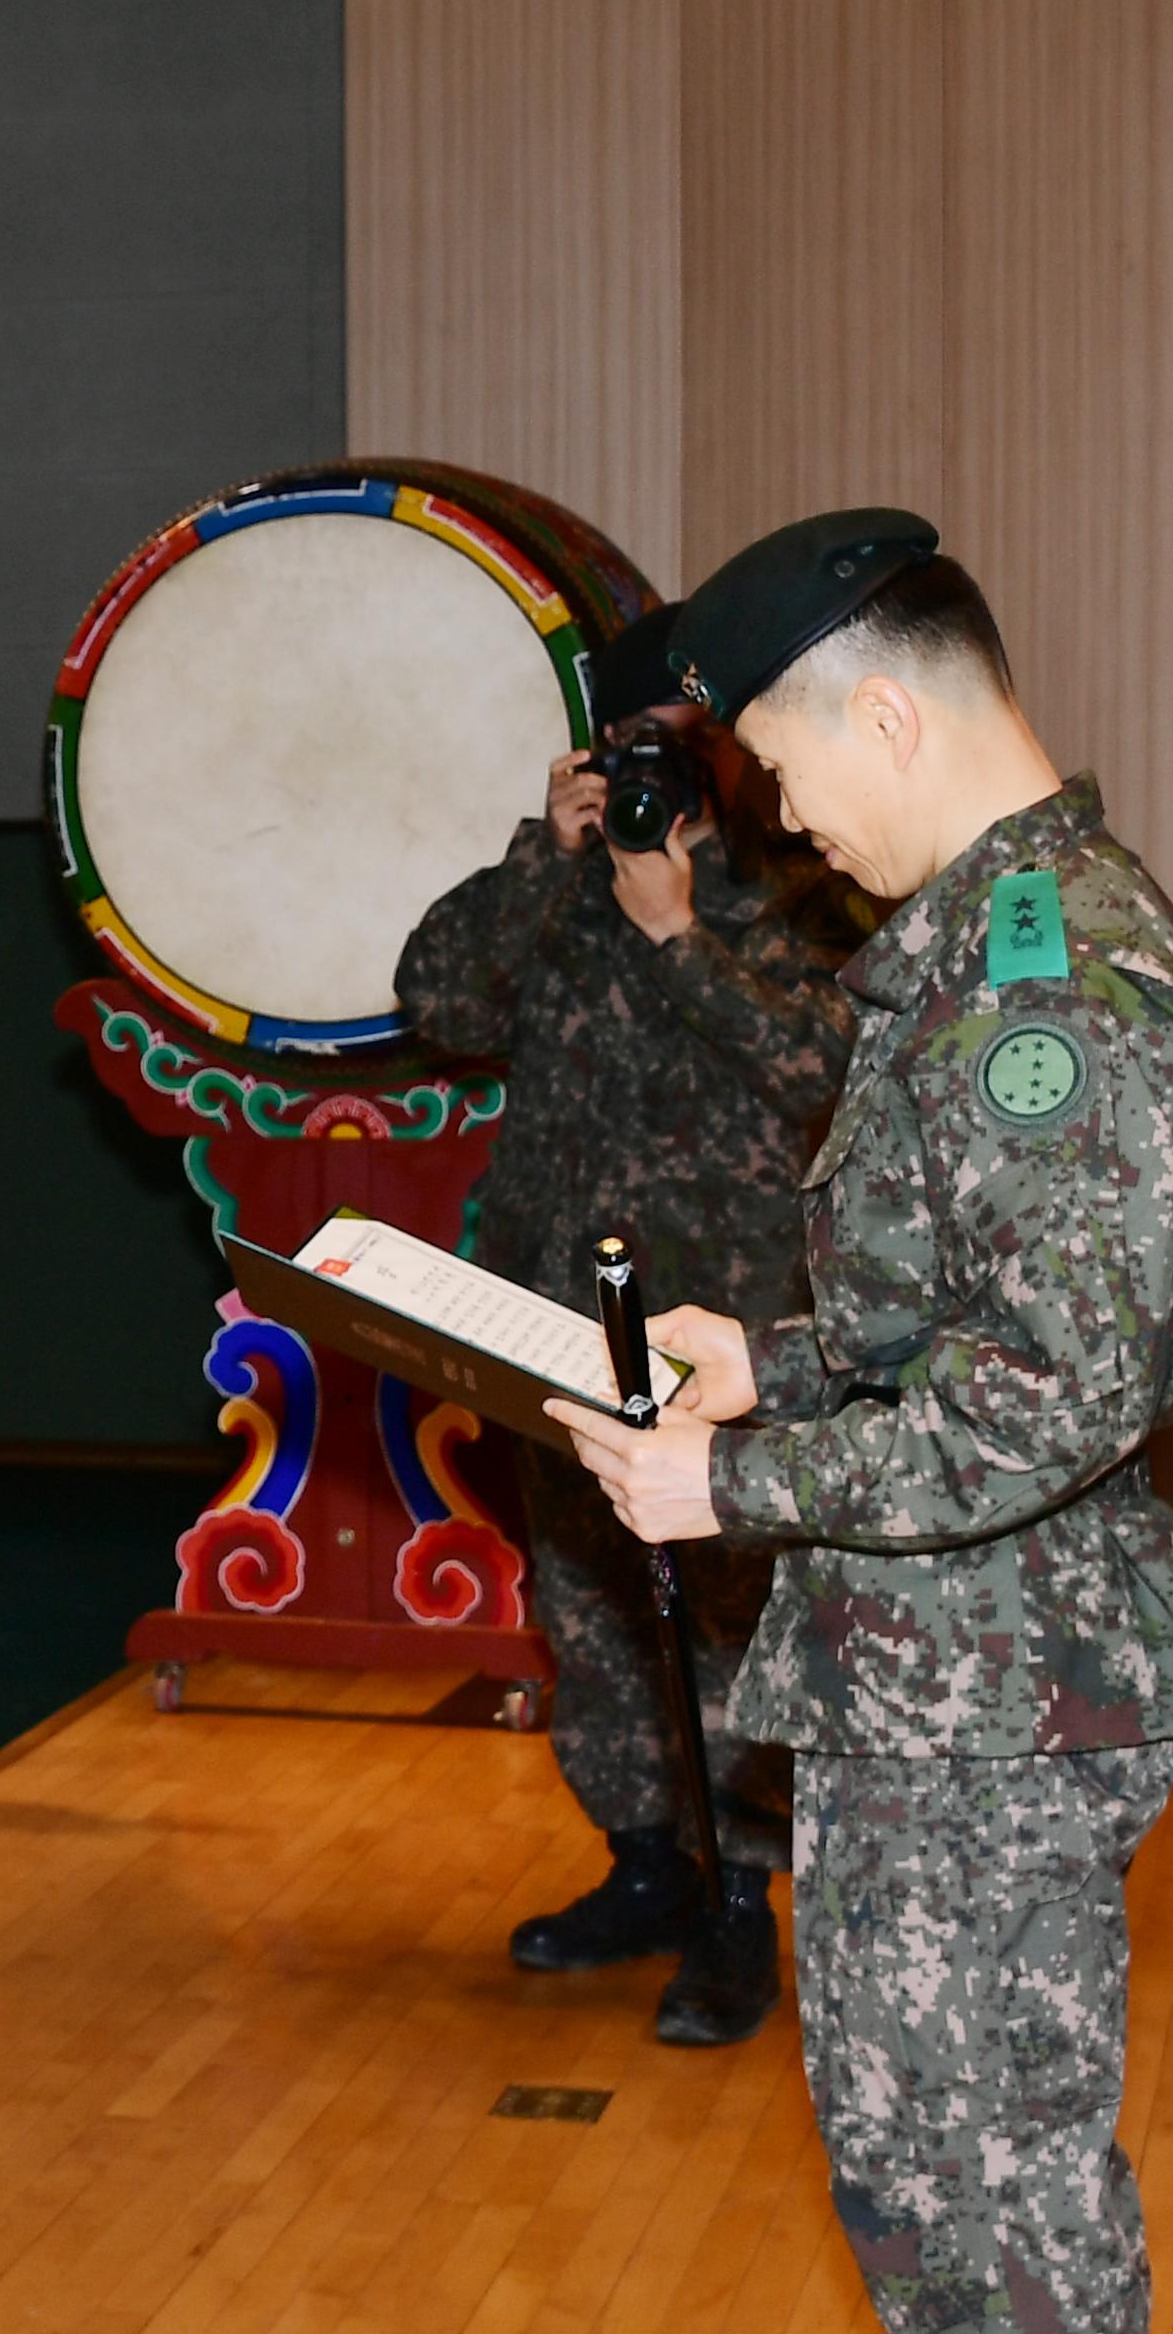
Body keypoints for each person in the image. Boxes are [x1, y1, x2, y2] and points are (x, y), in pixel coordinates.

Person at [546, 510, 1173, 2334]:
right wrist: (766, 1359)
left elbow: (1043, 1397)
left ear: (881, 718)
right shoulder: (979, 947)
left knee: (985, 2204)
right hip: (952, 1669)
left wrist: (725, 1475)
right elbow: (971, 1315)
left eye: (781, 764)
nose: (781, 819)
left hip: (992, 1701)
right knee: (927, 2191)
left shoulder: (1048, 992)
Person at [393, 596, 863, 2047]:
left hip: (720, 1336)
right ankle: (645, 1867)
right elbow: (437, 997)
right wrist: (553, 853)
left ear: (719, 756)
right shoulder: (558, 895)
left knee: (723, 1620)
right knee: (590, 1607)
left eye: (668, 748)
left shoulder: (802, 899)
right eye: (619, 751)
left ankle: (739, 1904)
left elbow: (826, 1072)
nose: (646, 775)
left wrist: (677, 942)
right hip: (558, 1318)